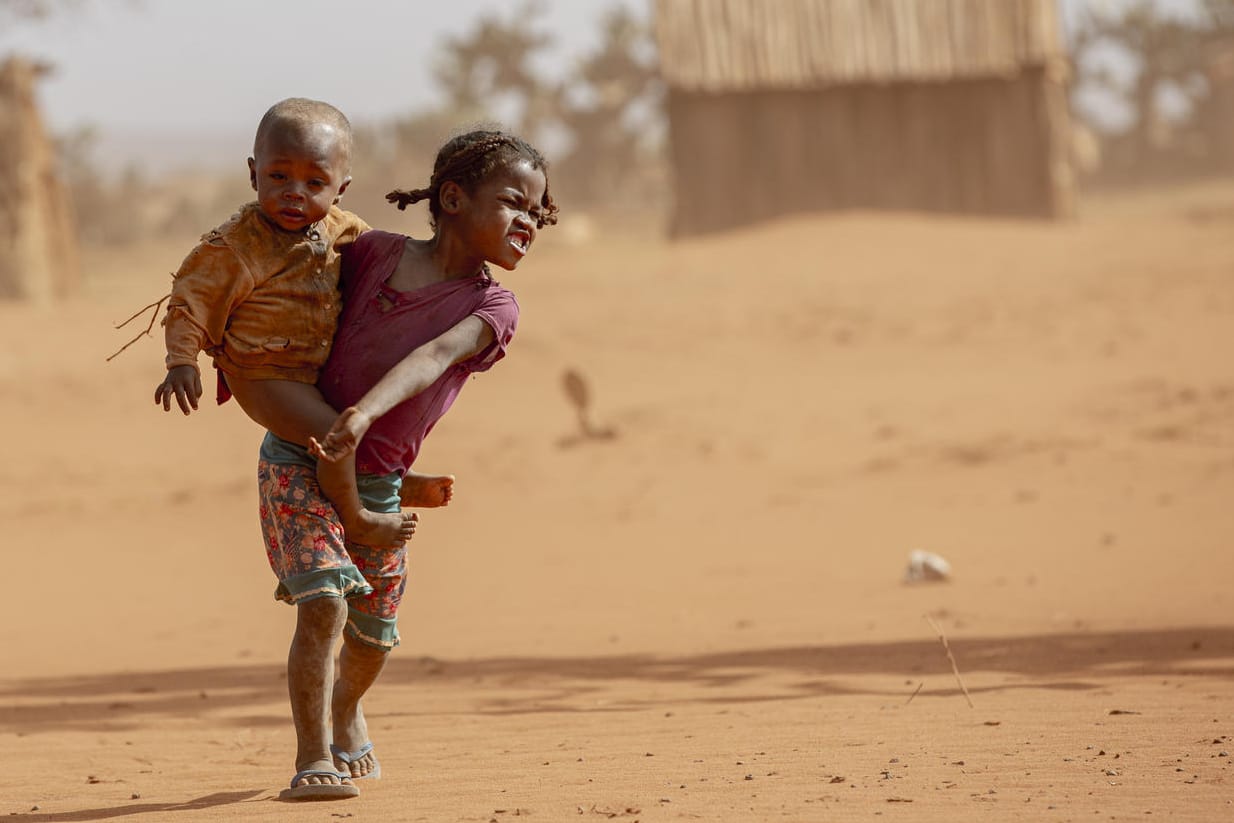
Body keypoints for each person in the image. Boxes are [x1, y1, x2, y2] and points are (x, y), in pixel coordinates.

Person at [257, 129, 557, 801]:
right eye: (514, 203)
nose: (529, 223)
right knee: (324, 602)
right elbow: (283, 269)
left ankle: (346, 707)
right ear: (452, 197)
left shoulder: (492, 307)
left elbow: (433, 355)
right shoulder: (368, 252)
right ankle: (313, 758)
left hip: (377, 483)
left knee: (374, 634)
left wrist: (362, 417)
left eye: (538, 213)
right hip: (298, 459)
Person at [152, 98, 450, 552]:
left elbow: (386, 257)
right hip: (262, 373)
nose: (295, 192)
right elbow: (191, 298)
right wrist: (181, 362)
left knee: (358, 420)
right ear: (253, 173)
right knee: (337, 434)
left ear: (341, 188)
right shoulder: (236, 245)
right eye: (278, 177)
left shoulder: (341, 228)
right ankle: (358, 517)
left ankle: (388, 481)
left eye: (314, 182)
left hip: (311, 369)